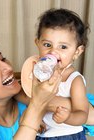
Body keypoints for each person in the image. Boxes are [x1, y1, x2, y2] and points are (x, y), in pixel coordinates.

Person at [21, 8, 90, 140]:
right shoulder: (38, 73)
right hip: (41, 135)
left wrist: (68, 117)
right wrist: (36, 119)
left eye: (63, 47)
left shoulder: (74, 80)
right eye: (47, 45)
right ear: (37, 43)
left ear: (77, 51)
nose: (53, 52)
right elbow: (34, 102)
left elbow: (83, 114)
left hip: (67, 136)